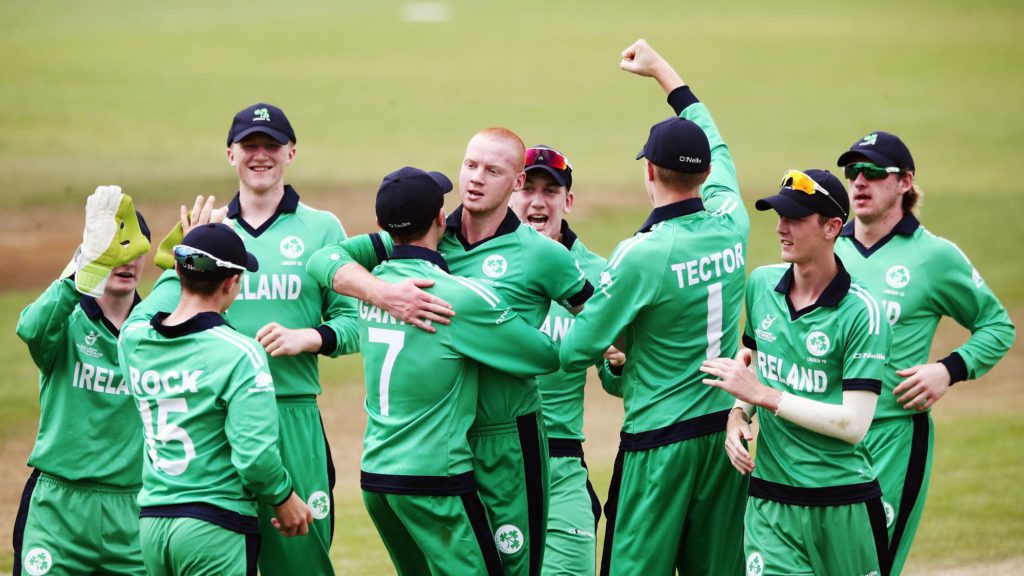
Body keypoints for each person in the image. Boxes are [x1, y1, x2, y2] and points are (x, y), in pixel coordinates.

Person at [308, 128, 594, 576]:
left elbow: (596, 316)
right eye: (470, 165)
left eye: (492, 170)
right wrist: (383, 294)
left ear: (515, 183)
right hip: (440, 446)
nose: (475, 179)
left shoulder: (541, 254)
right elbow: (323, 261)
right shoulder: (429, 231)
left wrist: (608, 355)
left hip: (506, 440)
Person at [559, 39, 749, 575]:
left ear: (648, 173)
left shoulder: (642, 255)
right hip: (725, 434)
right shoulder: (731, 219)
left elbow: (577, 349)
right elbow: (715, 137)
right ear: (705, 174)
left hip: (659, 443)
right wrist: (664, 71)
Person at [147, 103, 359, 575]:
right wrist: (186, 248)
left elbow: (355, 323)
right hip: (212, 420)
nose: (260, 156)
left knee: (300, 563)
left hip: (292, 412)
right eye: (249, 147)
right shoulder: (209, 232)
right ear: (230, 155)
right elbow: (166, 318)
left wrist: (311, 336)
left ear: (291, 153)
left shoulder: (322, 228)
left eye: (271, 146)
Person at [358, 166, 566, 575]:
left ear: (381, 227)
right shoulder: (454, 297)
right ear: (441, 219)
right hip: (434, 479)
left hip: (375, 477)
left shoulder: (374, 288)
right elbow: (545, 356)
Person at [833, 132, 1015, 574]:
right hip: (821, 433)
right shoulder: (828, 245)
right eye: (853, 171)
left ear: (905, 182)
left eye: (874, 172)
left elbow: (997, 326)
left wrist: (948, 370)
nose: (859, 181)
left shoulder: (933, 256)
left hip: (892, 437)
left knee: (869, 564)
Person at [701, 168, 892, 576]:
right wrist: (738, 415)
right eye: (779, 217)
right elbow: (752, 364)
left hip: (842, 501)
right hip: (771, 502)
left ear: (832, 227)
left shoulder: (863, 313)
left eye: (795, 219)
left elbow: (853, 424)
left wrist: (761, 398)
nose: (782, 229)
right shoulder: (761, 285)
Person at [118, 222, 312, 576]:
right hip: (214, 527)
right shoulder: (241, 353)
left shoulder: (132, 341)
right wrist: (284, 499)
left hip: (152, 525)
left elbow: (145, 315)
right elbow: (255, 457)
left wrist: (183, 255)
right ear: (231, 282)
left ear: (176, 271)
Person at [14, 186, 151, 576]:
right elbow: (30, 328)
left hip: (134, 510)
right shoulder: (66, 319)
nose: (125, 260)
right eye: (112, 248)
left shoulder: (155, 330)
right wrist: (82, 273)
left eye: (134, 249)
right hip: (58, 509)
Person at [510, 145, 620, 575]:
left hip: (561, 461)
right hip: (493, 457)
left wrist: (620, 362)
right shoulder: (484, 265)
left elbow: (615, 384)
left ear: (567, 201)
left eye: (550, 191)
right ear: (511, 195)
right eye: (528, 188)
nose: (538, 201)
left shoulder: (598, 274)